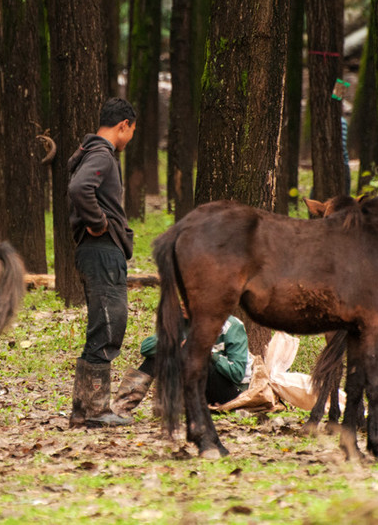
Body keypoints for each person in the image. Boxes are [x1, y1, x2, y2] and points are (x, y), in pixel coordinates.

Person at [66, 97, 137, 427]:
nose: (130, 138)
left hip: (95, 250)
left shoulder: (91, 152)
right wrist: (98, 223)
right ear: (123, 125)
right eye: (131, 131)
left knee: (101, 323)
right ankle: (96, 411)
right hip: (102, 249)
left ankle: (83, 409)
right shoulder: (102, 154)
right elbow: (81, 189)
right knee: (109, 324)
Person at [112, 315, 252, 418]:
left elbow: (237, 373)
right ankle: (121, 407)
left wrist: (209, 352)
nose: (183, 304)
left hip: (230, 393)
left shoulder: (231, 325)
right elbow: (147, 348)